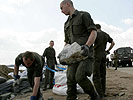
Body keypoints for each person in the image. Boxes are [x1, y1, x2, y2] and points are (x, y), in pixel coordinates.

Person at [60, 0, 100, 100]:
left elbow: (93, 32)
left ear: (68, 4)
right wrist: (63, 55)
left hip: (85, 53)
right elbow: (67, 42)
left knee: (80, 76)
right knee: (70, 78)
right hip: (73, 56)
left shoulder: (83, 15)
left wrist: (87, 46)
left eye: (61, 8)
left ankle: (94, 96)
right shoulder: (66, 24)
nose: (61, 11)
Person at [93, 24, 115, 98]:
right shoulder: (105, 34)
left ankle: (99, 94)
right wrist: (108, 51)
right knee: (103, 75)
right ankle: (103, 92)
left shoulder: (95, 34)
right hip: (103, 55)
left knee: (96, 75)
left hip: (96, 55)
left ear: (96, 28)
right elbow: (113, 43)